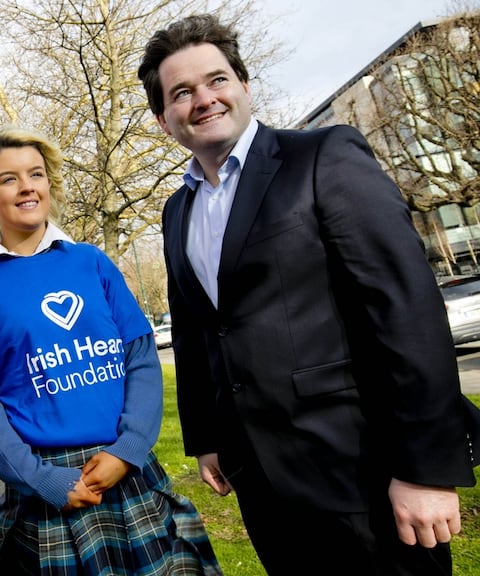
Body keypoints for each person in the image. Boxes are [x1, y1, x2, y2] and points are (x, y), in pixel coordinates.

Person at [137, 13, 478, 575]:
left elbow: (406, 311)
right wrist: (206, 437)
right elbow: (201, 332)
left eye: (217, 80)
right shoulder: (179, 210)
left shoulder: (323, 158)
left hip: (363, 474)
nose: (203, 99)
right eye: (182, 92)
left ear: (244, 86)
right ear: (163, 118)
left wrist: (427, 470)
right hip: (262, 483)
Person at [0, 125, 222, 575]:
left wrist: (128, 447)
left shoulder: (90, 261)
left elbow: (140, 357)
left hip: (127, 468)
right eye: (8, 178)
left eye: (35, 174)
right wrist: (42, 478)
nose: (26, 187)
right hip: (49, 486)